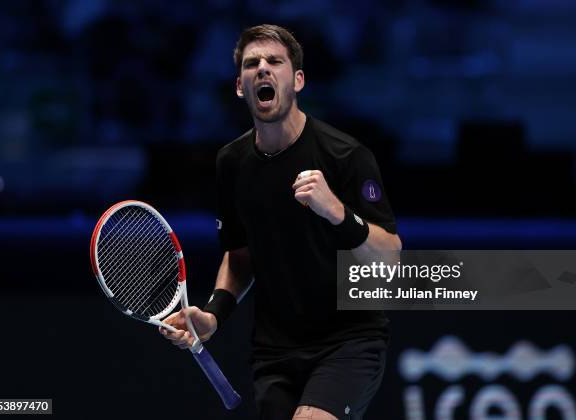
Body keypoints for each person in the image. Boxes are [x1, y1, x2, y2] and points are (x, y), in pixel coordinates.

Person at [160, 24, 402, 420]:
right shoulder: (232, 163)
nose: (263, 69)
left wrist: (337, 212)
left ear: (298, 79)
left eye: (275, 61)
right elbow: (238, 256)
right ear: (241, 86)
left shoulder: (346, 156)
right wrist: (212, 314)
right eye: (252, 64)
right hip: (275, 351)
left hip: (348, 340)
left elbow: (390, 258)